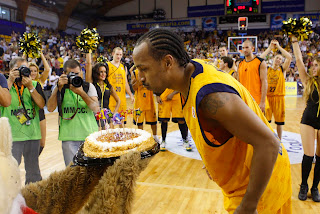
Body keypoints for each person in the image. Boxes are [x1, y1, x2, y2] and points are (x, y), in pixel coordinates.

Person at [132, 29, 292, 213]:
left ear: (168, 62)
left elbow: (268, 143)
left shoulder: (211, 98)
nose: (140, 77)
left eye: (144, 69)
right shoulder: (191, 71)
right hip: (245, 180)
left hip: (259, 188)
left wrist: (249, 205)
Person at [0, 57, 45, 184]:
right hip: (12, 136)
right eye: (19, 69)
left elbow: (41, 105)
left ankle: (32, 200)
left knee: (34, 173)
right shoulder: (5, 86)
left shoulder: (35, 84)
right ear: (11, 70)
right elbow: (3, 101)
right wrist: (9, 80)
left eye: (25, 68)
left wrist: (30, 87)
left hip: (32, 134)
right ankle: (10, 200)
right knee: (10, 172)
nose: (23, 72)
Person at [47, 59, 99, 166]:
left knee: (91, 171)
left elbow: (96, 108)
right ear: (64, 74)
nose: (75, 76)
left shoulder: (88, 86)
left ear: (81, 72)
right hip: (69, 137)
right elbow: (50, 108)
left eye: (77, 73)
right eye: (71, 74)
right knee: (72, 173)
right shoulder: (59, 88)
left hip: (89, 136)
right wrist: (58, 88)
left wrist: (81, 93)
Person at [292, 35, 320, 202]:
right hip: (308, 120)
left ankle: (315, 187)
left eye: (316, 65)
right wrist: (295, 42)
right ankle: (303, 185)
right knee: (308, 156)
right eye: (313, 65)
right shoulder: (308, 81)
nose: (313, 67)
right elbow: (299, 60)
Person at [260, 40, 292, 140]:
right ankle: (267, 139)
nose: (278, 60)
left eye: (280, 59)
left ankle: (279, 141)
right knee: (266, 122)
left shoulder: (282, 69)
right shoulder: (267, 68)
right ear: (273, 59)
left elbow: (289, 57)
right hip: (268, 98)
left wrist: (278, 47)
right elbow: (259, 59)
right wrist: (270, 48)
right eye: (277, 58)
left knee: (279, 123)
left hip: (279, 98)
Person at [85, 53, 121, 129]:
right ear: (96, 73)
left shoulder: (108, 86)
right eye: (101, 72)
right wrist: (88, 52)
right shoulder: (92, 85)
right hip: (95, 116)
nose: (103, 74)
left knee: (109, 138)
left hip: (107, 115)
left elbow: (118, 100)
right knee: (98, 138)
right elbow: (89, 65)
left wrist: (114, 113)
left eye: (104, 72)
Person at [130, 66, 160, 144]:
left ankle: (155, 136)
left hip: (149, 100)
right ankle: (141, 137)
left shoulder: (149, 71)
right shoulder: (134, 73)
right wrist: (138, 81)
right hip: (139, 101)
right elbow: (134, 88)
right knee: (139, 121)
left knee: (153, 120)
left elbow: (154, 85)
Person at [29, 51, 51, 154]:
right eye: (30, 71)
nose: (33, 73)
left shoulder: (40, 81)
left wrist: (41, 53)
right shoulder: (23, 82)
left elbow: (47, 69)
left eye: (35, 71)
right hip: (27, 113)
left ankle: (34, 160)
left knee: (42, 143)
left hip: (40, 113)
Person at [238, 40, 268, 113]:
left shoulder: (260, 62)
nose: (244, 50)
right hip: (244, 101)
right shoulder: (240, 64)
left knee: (259, 124)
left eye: (247, 47)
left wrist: (262, 102)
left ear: (252, 48)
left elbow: (264, 82)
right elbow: (238, 83)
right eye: (243, 48)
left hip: (257, 101)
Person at [107, 47, 134, 125]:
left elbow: (125, 83)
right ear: (113, 54)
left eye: (120, 55)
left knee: (122, 123)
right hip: (111, 99)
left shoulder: (123, 67)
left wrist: (131, 95)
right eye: (117, 54)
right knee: (111, 123)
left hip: (122, 98)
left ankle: (121, 137)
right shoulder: (107, 65)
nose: (118, 56)